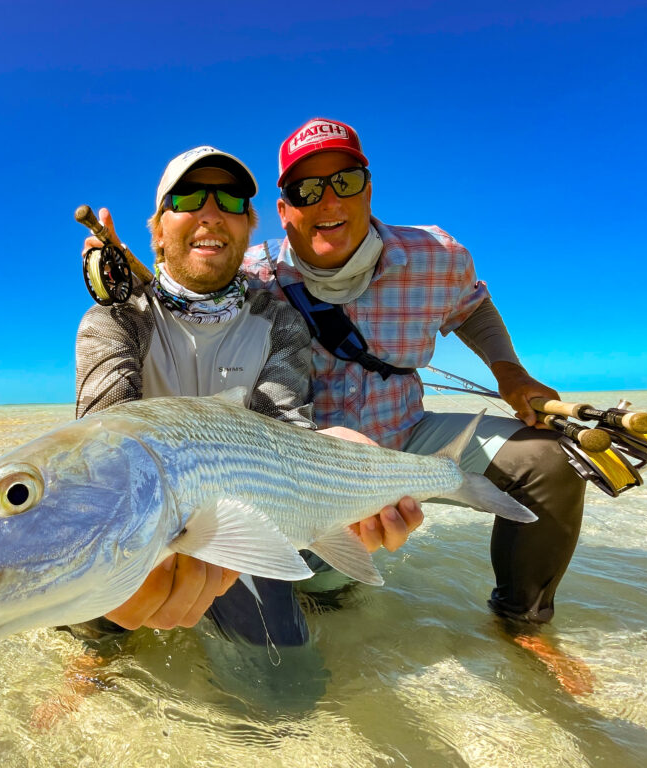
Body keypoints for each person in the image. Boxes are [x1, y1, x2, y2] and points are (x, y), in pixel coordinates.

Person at [71, 145, 422, 649]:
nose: (212, 213)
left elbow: (283, 431)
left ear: (249, 226)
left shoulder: (280, 322)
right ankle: (98, 652)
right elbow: (102, 446)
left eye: (232, 201)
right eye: (188, 197)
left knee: (284, 692)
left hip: (247, 526)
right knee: (94, 618)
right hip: (143, 531)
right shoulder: (115, 319)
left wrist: (339, 463)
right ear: (158, 229)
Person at [241, 117, 586, 628]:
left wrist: (510, 373)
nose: (329, 201)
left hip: (408, 435)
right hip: (310, 471)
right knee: (325, 595)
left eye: (346, 181)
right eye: (306, 189)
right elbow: (183, 296)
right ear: (283, 209)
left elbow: (471, 307)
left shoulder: (436, 255)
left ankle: (522, 623)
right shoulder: (251, 278)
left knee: (548, 460)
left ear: (369, 187)